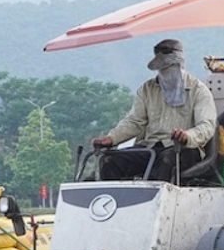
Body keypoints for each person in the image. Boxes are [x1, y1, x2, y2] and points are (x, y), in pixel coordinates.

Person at [91, 38, 217, 181]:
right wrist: (112, 138)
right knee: (110, 160)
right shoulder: (147, 90)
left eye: (169, 67)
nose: (166, 72)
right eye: (162, 68)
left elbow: (207, 126)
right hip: (150, 148)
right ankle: (113, 195)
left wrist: (187, 136)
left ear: (180, 65)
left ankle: (158, 196)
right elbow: (134, 121)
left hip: (185, 149)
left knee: (167, 160)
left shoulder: (199, 91)